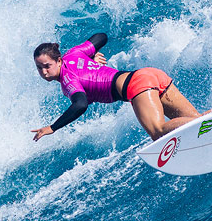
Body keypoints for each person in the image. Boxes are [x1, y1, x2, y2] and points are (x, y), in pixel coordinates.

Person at [31, 32, 201, 142]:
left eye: (47, 66)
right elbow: (101, 36)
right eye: (39, 68)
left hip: (138, 85)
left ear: (58, 61)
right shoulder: (74, 53)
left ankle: (204, 122)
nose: (44, 72)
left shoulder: (68, 80)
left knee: (158, 131)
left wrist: (52, 127)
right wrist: (90, 57)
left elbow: (80, 104)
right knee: (196, 118)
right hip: (151, 75)